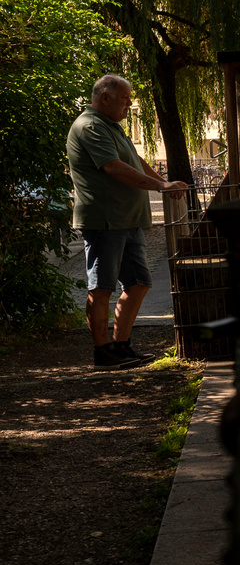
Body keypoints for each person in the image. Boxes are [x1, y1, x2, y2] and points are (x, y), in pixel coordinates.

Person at [68, 75, 188, 370]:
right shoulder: (91, 126)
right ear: (104, 98)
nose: (129, 103)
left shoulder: (112, 127)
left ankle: (121, 346)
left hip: (128, 219)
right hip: (106, 220)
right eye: (124, 98)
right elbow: (113, 167)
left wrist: (164, 182)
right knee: (102, 288)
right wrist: (159, 188)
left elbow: (135, 160)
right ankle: (102, 352)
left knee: (138, 283)